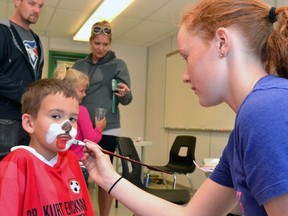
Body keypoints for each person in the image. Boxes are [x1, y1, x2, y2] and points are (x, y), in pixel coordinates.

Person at [81, 0, 288, 215]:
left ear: (221, 42)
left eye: (186, 57)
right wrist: (109, 178)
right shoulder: (247, 127)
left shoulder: (266, 110)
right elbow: (192, 214)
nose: (185, 77)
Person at [0, 78, 95, 215]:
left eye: (72, 119)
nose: (67, 126)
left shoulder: (72, 160)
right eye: (56, 116)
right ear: (29, 123)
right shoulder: (18, 163)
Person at [72, 20, 133, 216]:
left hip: (108, 127)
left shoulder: (118, 65)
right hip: (80, 128)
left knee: (104, 177)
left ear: (110, 44)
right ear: (90, 42)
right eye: (97, 43)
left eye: (105, 44)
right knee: (78, 173)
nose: (101, 48)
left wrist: (124, 93)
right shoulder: (79, 65)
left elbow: (127, 99)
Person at [0, 0, 45, 154]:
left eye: (40, 6)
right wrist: (26, 95)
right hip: (5, 119)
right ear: (17, 1)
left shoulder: (36, 40)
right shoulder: (3, 32)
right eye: (32, 4)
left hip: (28, 119)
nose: (37, 10)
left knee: (21, 171)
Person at [54, 64, 106, 186]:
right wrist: (99, 128)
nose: (84, 94)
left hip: (58, 163)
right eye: (82, 91)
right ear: (70, 90)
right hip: (78, 165)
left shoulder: (55, 110)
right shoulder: (80, 110)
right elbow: (91, 139)